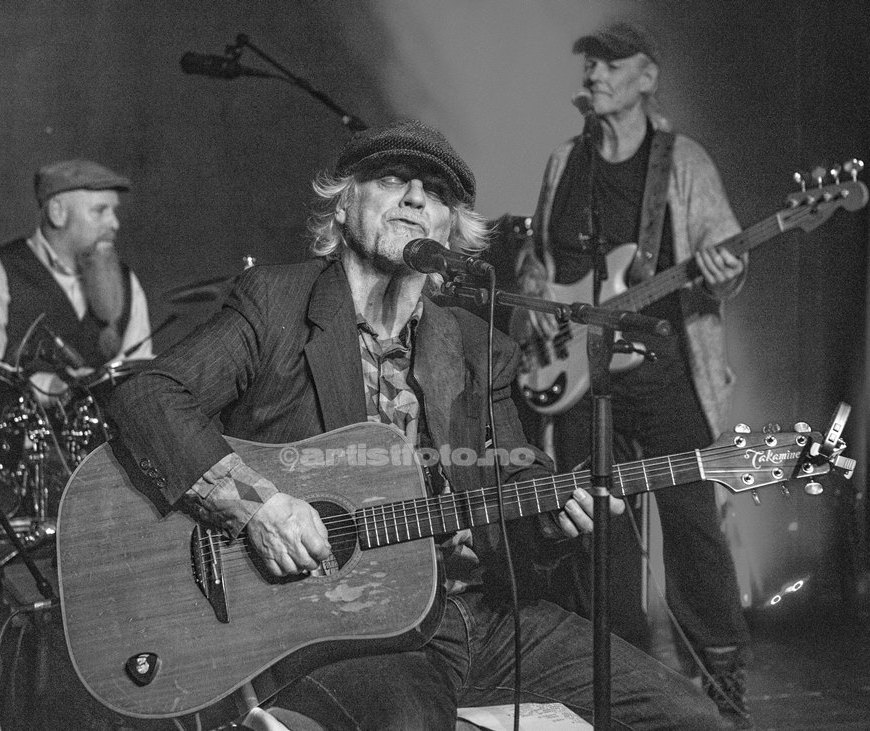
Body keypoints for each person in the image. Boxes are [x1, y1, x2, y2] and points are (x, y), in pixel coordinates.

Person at [108, 118, 727, 730]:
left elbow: (513, 484)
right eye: (391, 180)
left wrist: (554, 516)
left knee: (688, 717)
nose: (414, 198)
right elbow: (148, 396)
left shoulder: (478, 346)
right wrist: (257, 507)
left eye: (435, 193)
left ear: (450, 229)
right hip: (340, 627)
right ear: (343, 205)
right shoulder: (276, 303)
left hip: (479, 618)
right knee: (409, 721)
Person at [515, 21, 753, 729]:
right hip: (582, 379)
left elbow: (726, 257)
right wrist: (536, 302)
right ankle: (620, 680)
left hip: (667, 374)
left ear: (647, 77)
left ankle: (721, 684)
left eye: (611, 63)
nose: (594, 72)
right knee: (598, 537)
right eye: (590, 62)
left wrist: (725, 270)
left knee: (693, 530)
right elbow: (537, 258)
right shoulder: (565, 161)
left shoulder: (683, 162)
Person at [0, 158, 153, 401]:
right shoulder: (5, 270)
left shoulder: (125, 281)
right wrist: (49, 388)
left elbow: (138, 372)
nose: (114, 223)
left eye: (114, 212)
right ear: (57, 212)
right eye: (100, 211)